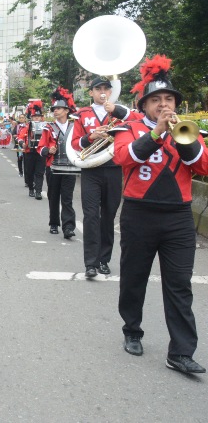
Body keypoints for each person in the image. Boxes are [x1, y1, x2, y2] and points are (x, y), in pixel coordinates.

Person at [113, 55, 208, 374]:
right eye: (157, 100)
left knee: (180, 284)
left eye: (169, 99)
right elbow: (125, 158)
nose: (164, 105)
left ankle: (181, 352)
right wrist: (155, 133)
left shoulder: (186, 130)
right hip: (139, 215)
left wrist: (181, 137)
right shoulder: (130, 127)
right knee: (133, 277)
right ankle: (132, 330)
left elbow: (203, 165)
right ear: (145, 104)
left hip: (179, 219)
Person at [70, 77, 122, 278]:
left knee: (109, 216)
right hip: (91, 169)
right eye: (98, 89)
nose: (102, 92)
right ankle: (90, 263)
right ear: (91, 92)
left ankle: (104, 260)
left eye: (106, 89)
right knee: (91, 216)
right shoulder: (82, 114)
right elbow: (75, 143)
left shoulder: (120, 113)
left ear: (111, 92)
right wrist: (90, 137)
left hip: (113, 168)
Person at [37, 88, 77, 238]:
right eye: (54, 109)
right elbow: (40, 148)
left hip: (70, 167)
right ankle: (54, 223)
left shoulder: (75, 126)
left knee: (67, 198)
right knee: (53, 196)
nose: (55, 111)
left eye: (58, 108)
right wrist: (48, 150)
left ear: (66, 110)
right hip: (53, 167)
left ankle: (68, 227)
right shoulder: (49, 128)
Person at [19, 102, 45, 198]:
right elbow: (20, 137)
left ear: (41, 117)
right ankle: (31, 188)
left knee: (40, 172)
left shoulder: (46, 127)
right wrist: (23, 144)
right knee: (29, 172)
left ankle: (38, 191)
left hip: (40, 152)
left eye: (38, 116)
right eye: (35, 116)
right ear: (32, 117)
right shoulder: (27, 127)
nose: (37, 118)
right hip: (29, 152)